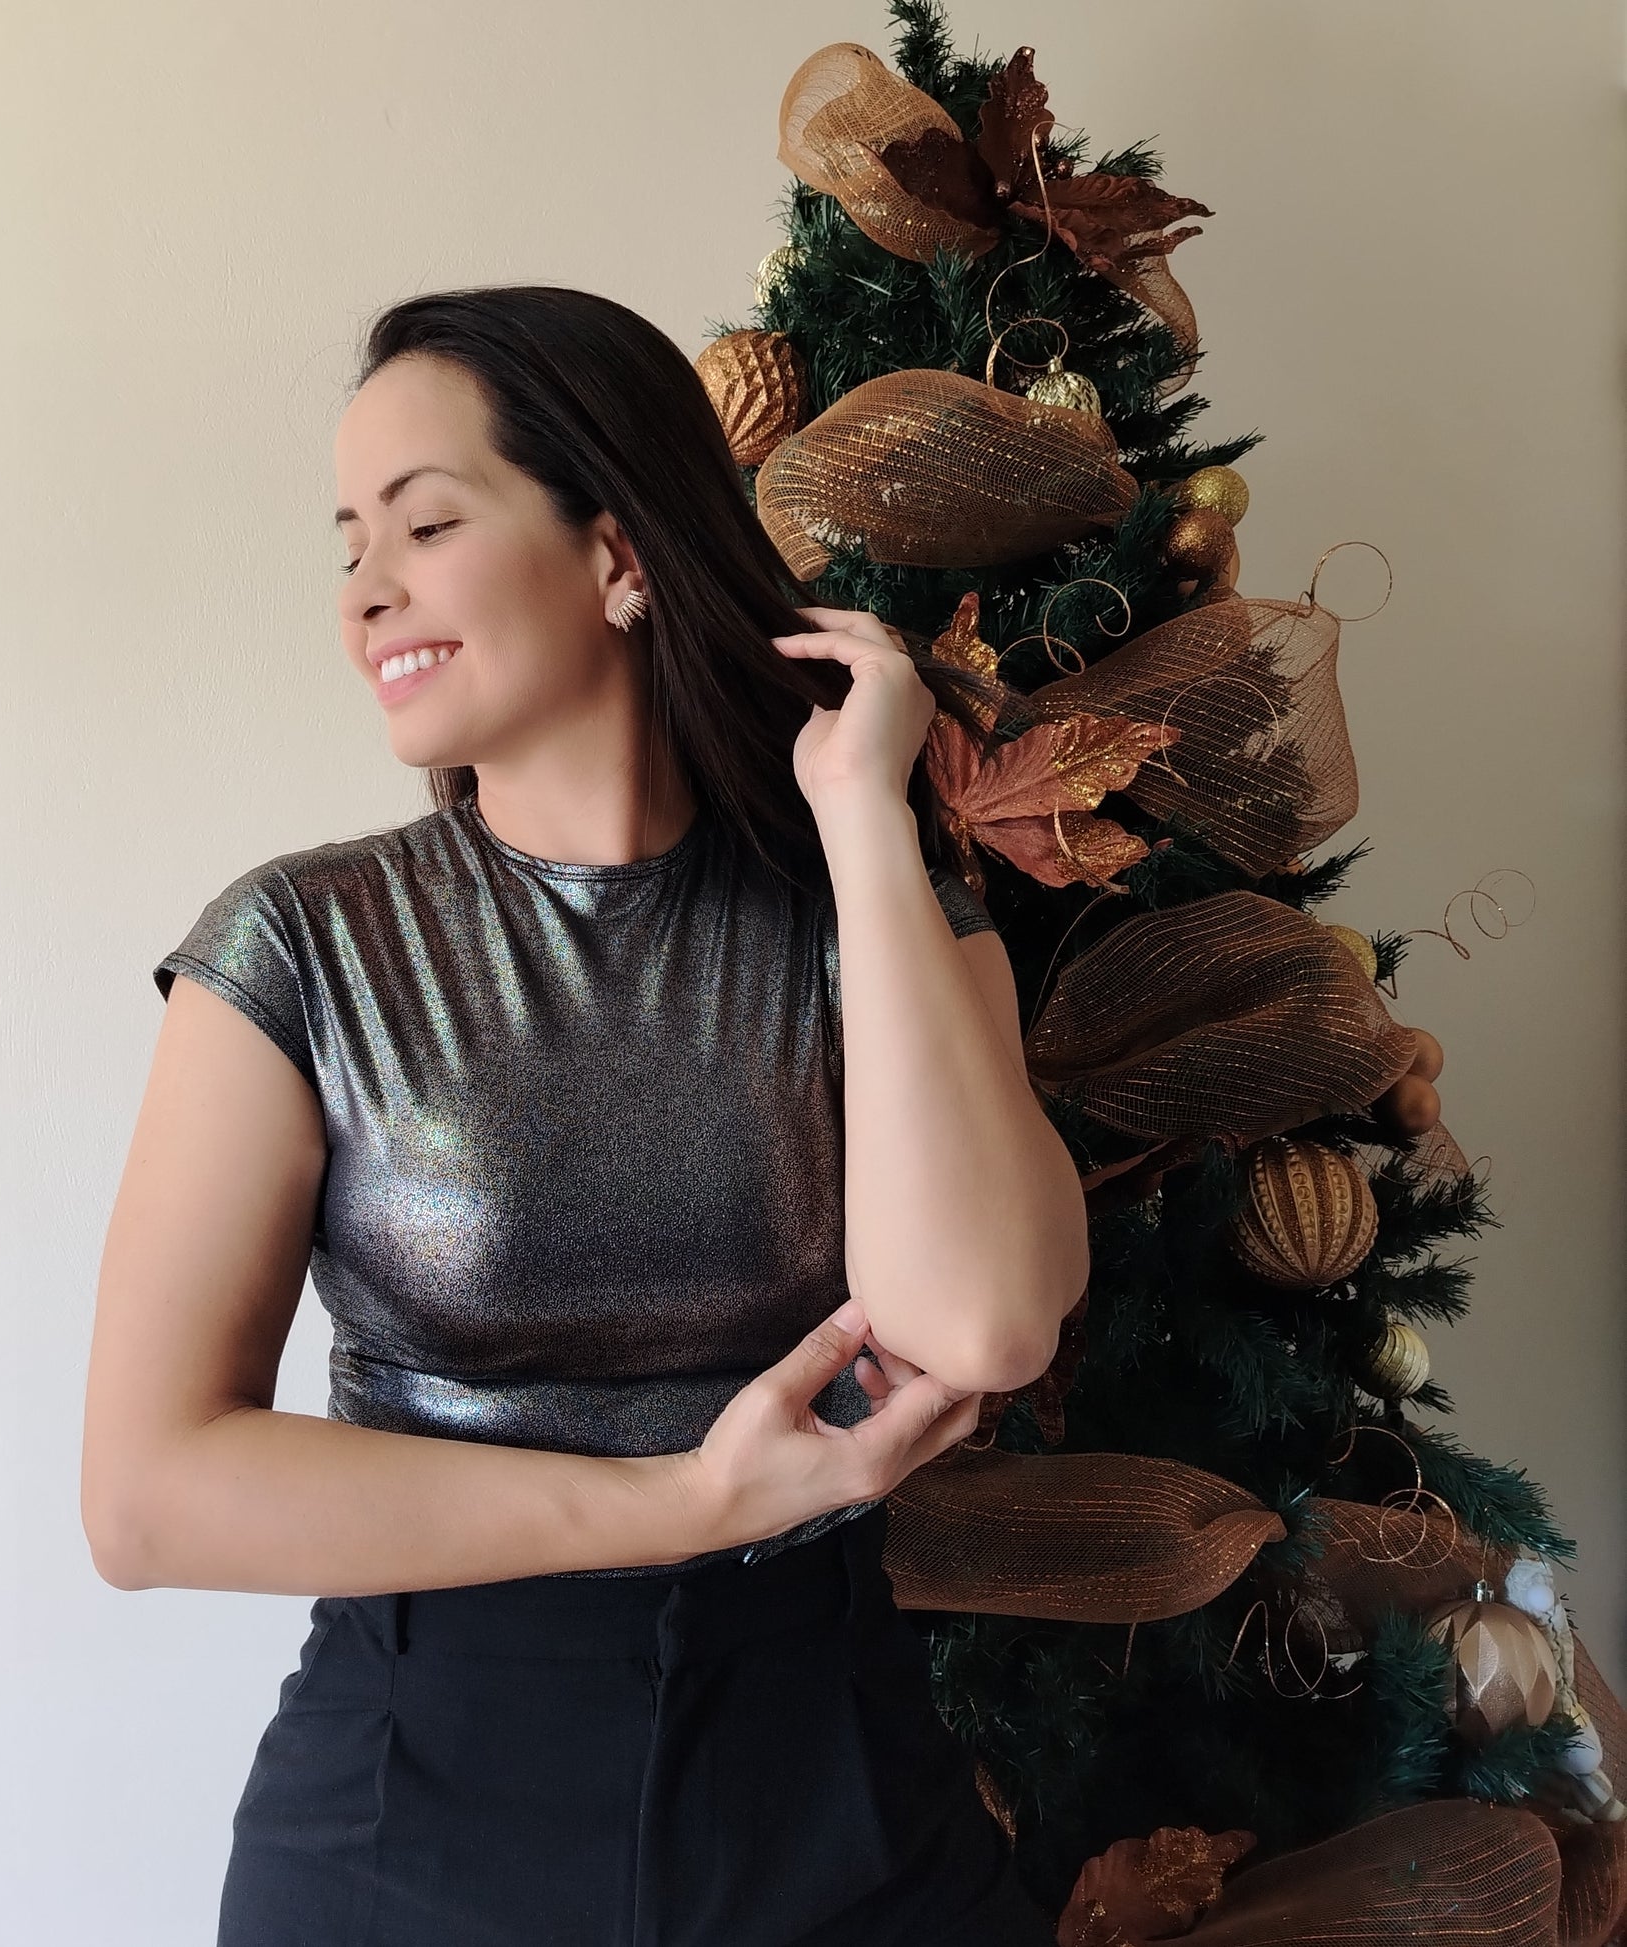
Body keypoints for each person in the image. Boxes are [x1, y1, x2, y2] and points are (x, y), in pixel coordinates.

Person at [81, 283, 1087, 1946]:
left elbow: (981, 1322)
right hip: (413, 1813)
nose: (365, 591)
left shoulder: (868, 913)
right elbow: (145, 1496)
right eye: (349, 543)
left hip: (835, 1791)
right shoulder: (299, 944)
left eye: (424, 523)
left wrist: (858, 819)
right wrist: (683, 1506)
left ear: (619, 554)